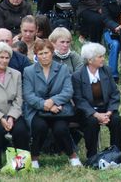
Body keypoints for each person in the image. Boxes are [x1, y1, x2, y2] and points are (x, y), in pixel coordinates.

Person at [23, 39, 81, 169]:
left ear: (52, 53)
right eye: (40, 53)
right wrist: (45, 104)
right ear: (36, 55)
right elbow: (28, 95)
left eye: (46, 53)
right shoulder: (29, 71)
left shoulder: (63, 69)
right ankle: (34, 157)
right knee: (40, 127)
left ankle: (72, 156)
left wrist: (52, 101)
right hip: (37, 109)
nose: (44, 56)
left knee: (60, 128)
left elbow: (68, 91)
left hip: (59, 109)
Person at [72, 43, 121, 159]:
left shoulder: (106, 71)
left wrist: (109, 112)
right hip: (87, 111)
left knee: (117, 121)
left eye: (103, 56)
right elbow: (79, 100)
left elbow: (114, 93)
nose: (103, 59)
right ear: (90, 60)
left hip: (106, 109)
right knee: (91, 123)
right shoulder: (78, 76)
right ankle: (92, 155)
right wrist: (96, 115)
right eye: (100, 56)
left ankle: (116, 153)